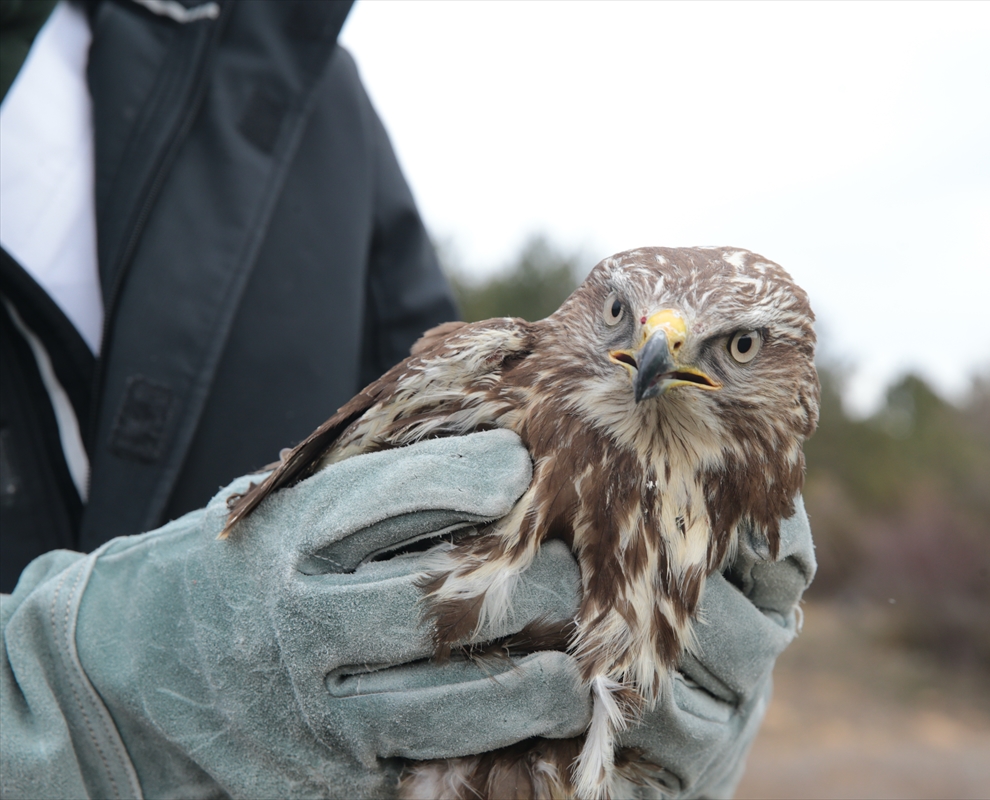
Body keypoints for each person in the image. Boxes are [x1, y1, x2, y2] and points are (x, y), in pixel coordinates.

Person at [0, 1, 816, 797]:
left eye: (740, 347)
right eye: (620, 319)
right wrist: (88, 703)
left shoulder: (302, 80)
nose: (654, 356)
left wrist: (694, 741)